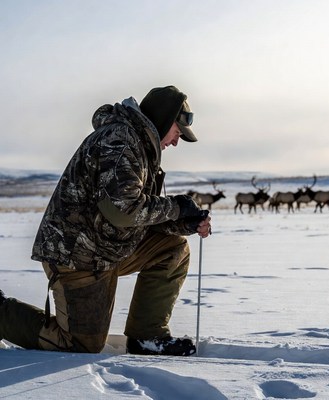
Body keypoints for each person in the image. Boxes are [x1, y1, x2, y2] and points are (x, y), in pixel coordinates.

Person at [0, 85, 211, 356]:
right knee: (79, 345)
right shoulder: (120, 141)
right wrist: (177, 208)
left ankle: (146, 336)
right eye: (177, 132)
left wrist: (185, 222)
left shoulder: (140, 146)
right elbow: (122, 210)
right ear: (163, 119)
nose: (176, 141)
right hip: (76, 256)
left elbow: (135, 216)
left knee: (173, 248)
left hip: (108, 250)